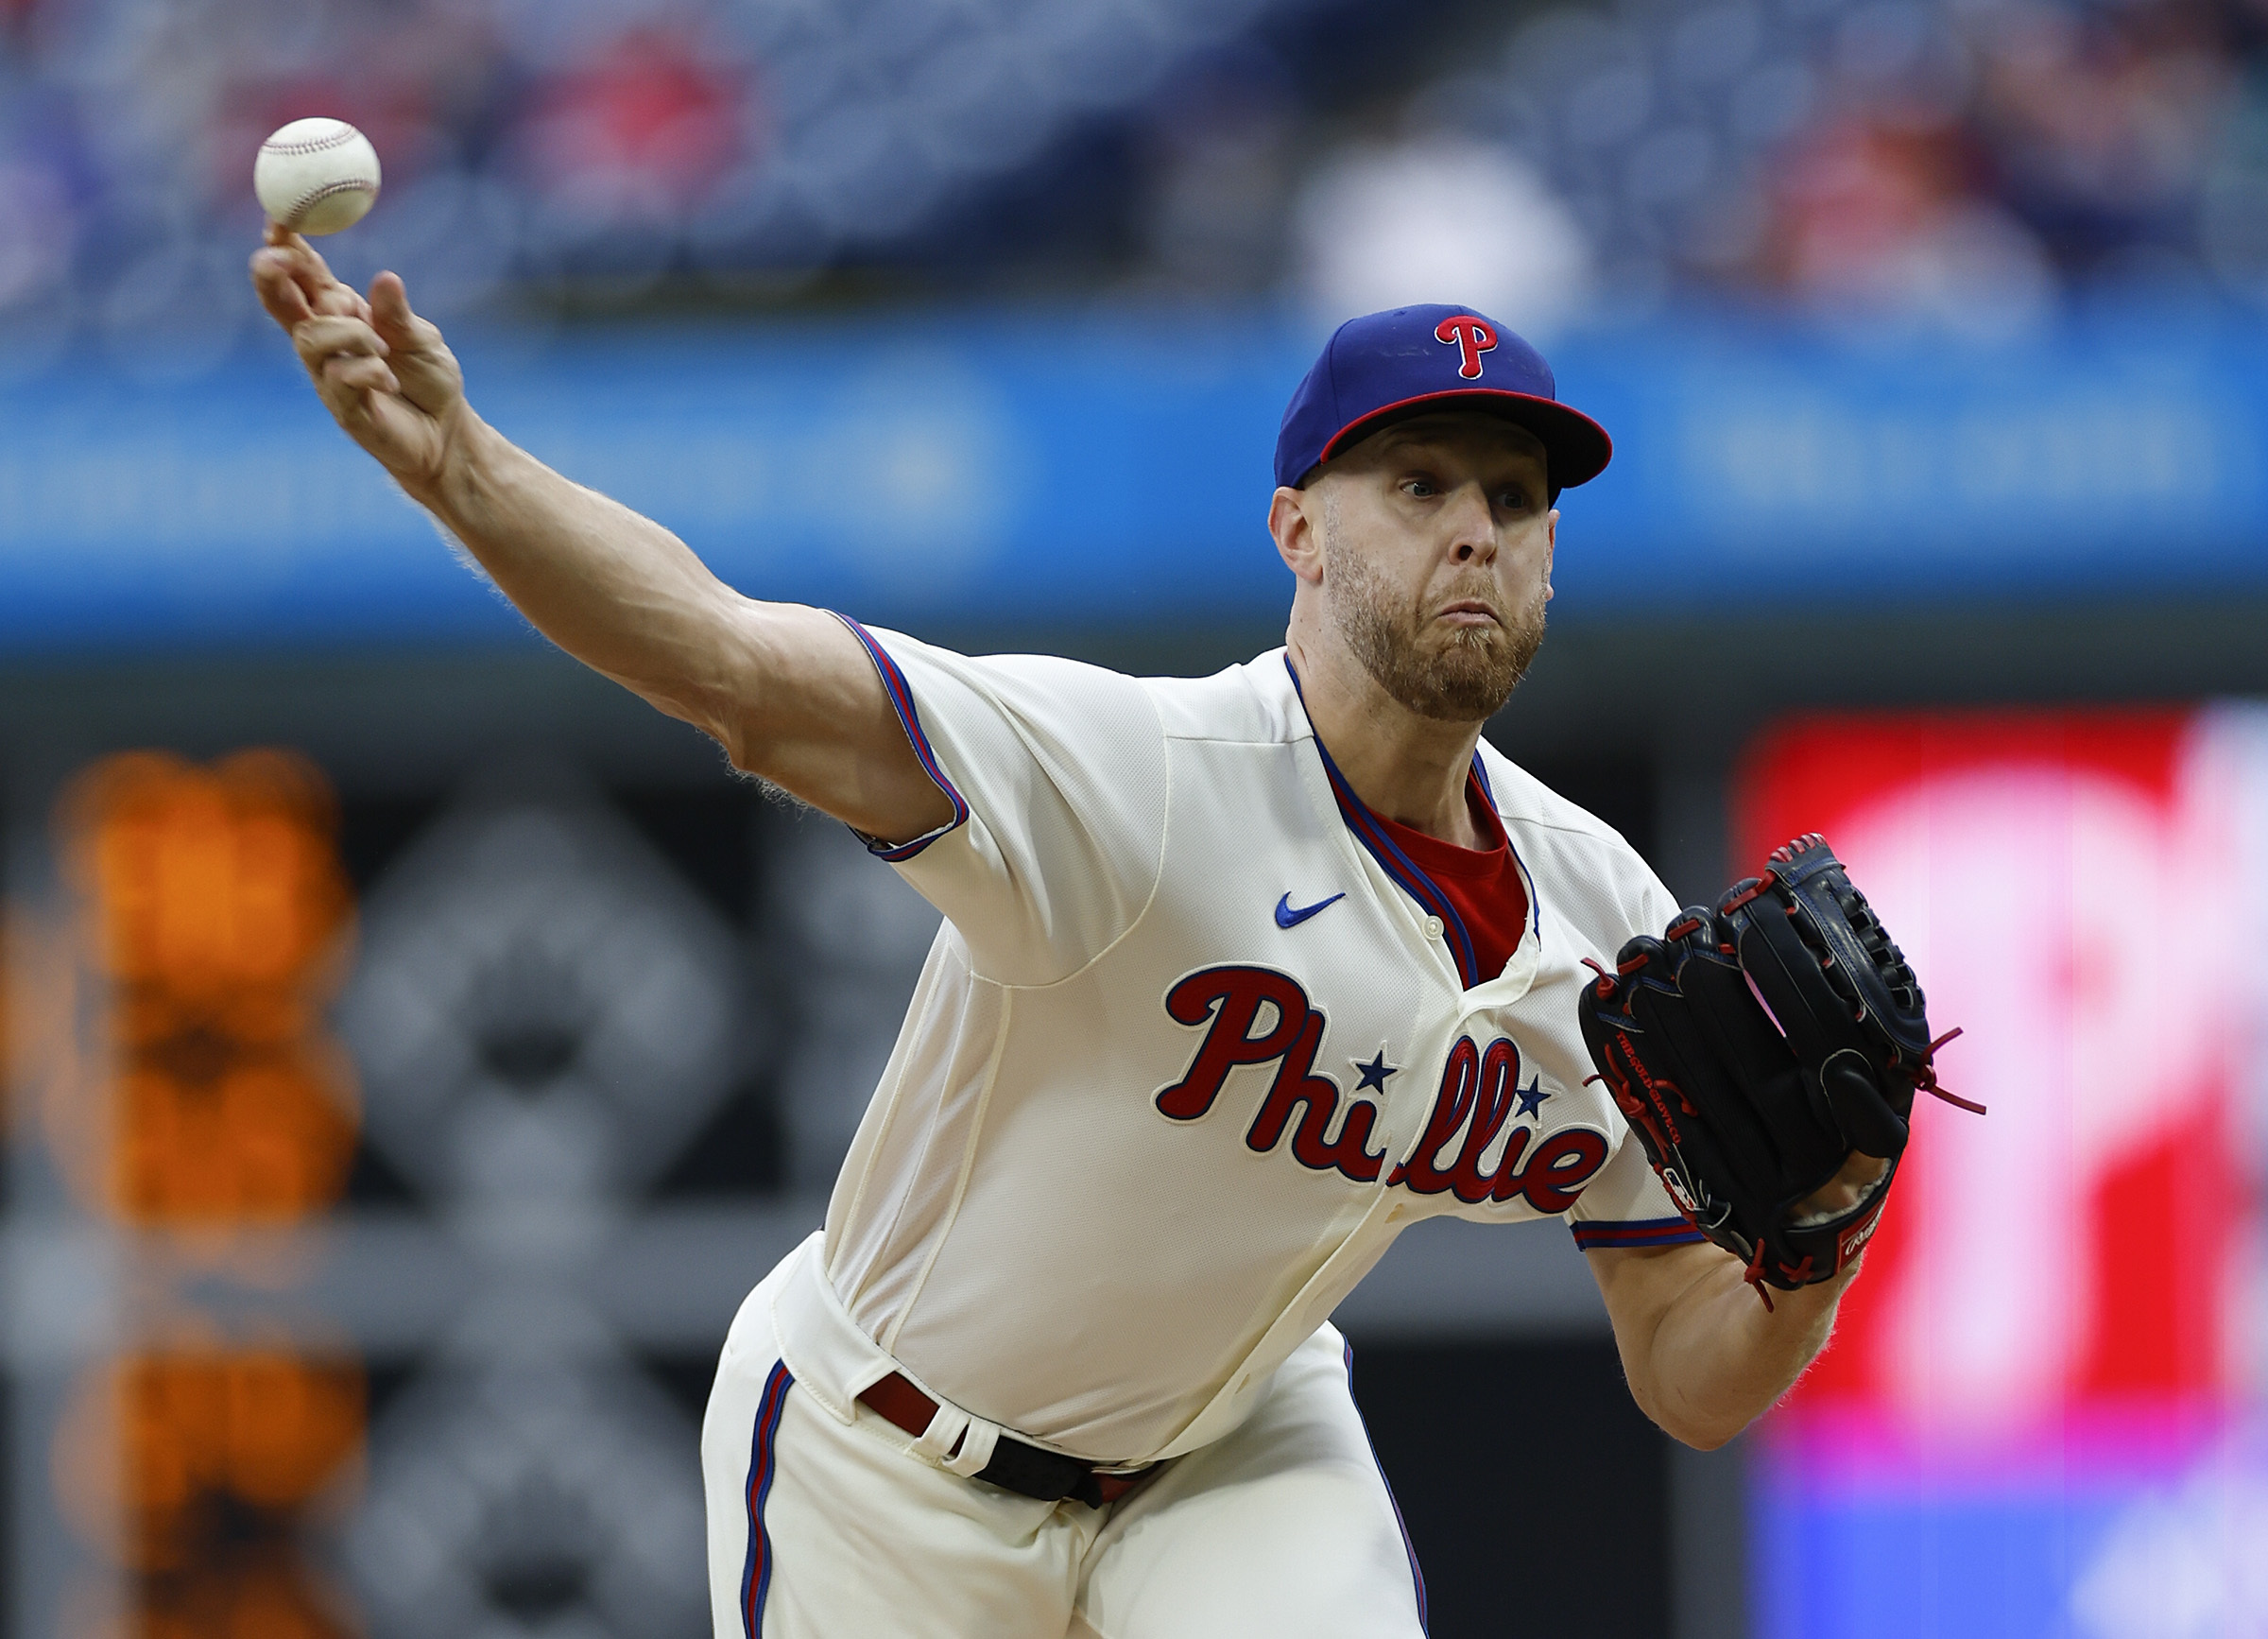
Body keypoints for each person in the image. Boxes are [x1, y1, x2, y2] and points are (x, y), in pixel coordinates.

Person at [251, 231, 1882, 1638]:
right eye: (1420, 482)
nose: (1478, 529)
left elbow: (1686, 1371)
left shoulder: (1608, 923)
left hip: (1234, 1445)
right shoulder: (1139, 781)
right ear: (1296, 531)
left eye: (1516, 498)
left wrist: (1808, 1252)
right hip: (884, 1455)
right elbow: (741, 673)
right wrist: (464, 468)